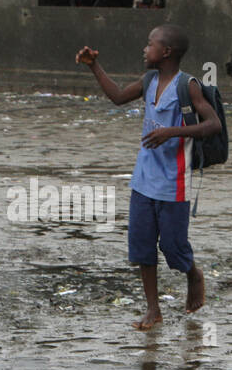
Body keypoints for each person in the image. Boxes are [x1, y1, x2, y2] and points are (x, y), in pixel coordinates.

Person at [76, 25, 221, 331]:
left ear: (166, 52)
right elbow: (116, 96)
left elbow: (213, 124)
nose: (145, 49)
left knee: (172, 245)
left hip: (174, 182)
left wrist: (173, 131)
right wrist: (94, 66)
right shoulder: (148, 80)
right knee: (142, 245)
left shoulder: (188, 85)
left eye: (149, 44)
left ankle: (192, 273)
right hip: (143, 179)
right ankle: (153, 309)